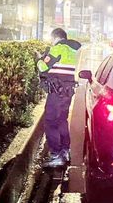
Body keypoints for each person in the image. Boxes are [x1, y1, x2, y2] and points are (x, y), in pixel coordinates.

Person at [37, 28, 81, 168]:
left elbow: (43, 67)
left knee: (51, 121)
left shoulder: (58, 48)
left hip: (56, 92)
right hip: (68, 92)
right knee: (62, 120)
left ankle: (55, 154)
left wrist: (39, 58)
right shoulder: (76, 51)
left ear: (56, 37)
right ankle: (65, 150)